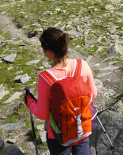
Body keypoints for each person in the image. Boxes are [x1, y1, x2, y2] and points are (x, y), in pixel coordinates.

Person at [24, 27, 98, 155]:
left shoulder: (45, 78)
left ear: (49, 52)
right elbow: (93, 94)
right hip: (82, 128)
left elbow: (42, 114)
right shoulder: (83, 65)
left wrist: (29, 101)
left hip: (58, 135)